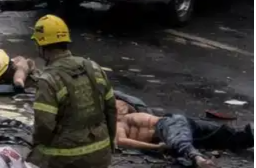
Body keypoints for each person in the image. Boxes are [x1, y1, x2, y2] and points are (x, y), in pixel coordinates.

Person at [29, 15, 116, 168]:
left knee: (34, 155)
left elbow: (44, 127)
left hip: (68, 159)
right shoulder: (94, 67)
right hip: (102, 155)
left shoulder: (48, 80)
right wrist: (110, 141)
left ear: (41, 46)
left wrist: (36, 146)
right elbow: (111, 109)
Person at [114, 99, 254, 168]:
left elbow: (122, 140)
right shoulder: (118, 124)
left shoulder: (125, 114)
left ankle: (196, 157)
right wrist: (155, 147)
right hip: (180, 128)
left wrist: (155, 148)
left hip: (168, 124)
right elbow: (122, 141)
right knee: (229, 136)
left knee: (179, 140)